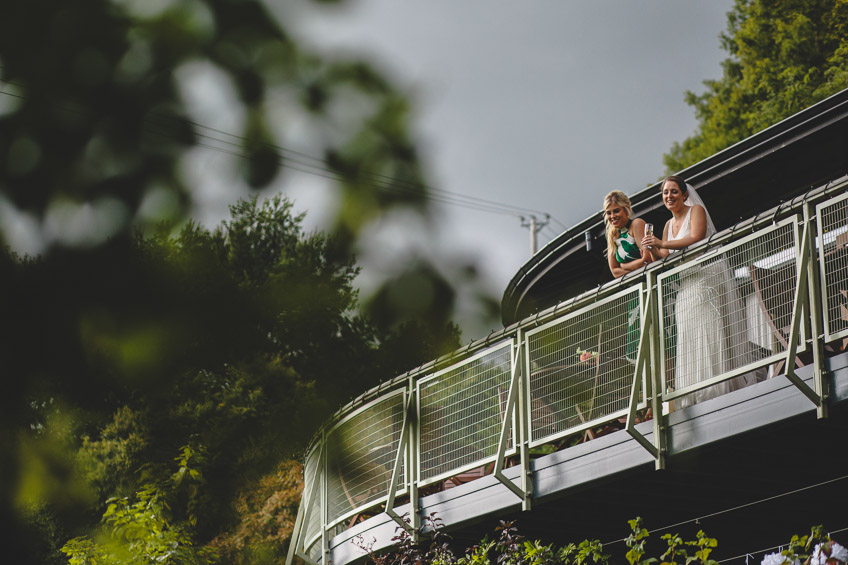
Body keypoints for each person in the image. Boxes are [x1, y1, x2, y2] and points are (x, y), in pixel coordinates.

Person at [640, 176, 757, 407]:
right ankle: (693, 396)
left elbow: (696, 238)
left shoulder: (696, 211)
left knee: (708, 332)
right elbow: (665, 260)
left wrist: (661, 244)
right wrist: (653, 248)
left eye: (674, 192)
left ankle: (716, 391)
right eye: (665, 193)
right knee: (689, 338)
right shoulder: (666, 226)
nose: (669, 196)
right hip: (686, 287)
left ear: (684, 194)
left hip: (705, 281)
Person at [603, 190, 652, 279]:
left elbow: (647, 259)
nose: (612, 216)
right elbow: (615, 272)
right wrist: (637, 266)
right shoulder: (612, 235)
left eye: (616, 211)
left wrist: (623, 266)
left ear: (626, 209)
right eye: (609, 213)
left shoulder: (637, 224)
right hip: (637, 285)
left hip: (657, 280)